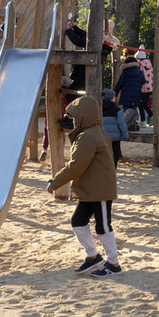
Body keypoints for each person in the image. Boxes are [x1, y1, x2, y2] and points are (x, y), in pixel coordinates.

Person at [46, 95, 123, 278]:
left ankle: (113, 263)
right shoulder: (91, 133)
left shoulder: (89, 136)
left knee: (103, 226)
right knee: (78, 221)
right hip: (90, 189)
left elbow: (76, 165)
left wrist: (55, 182)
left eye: (74, 117)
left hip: (100, 190)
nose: (72, 121)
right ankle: (93, 256)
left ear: (83, 116)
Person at [113, 53, 146, 126]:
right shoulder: (140, 72)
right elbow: (143, 81)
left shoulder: (125, 72)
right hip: (136, 95)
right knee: (134, 110)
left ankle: (125, 125)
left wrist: (114, 93)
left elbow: (119, 84)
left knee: (126, 110)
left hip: (126, 96)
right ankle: (133, 123)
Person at [101, 88, 129, 166]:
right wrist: (125, 135)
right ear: (112, 98)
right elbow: (122, 124)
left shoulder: (99, 109)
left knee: (104, 155)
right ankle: (113, 170)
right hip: (115, 138)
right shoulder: (117, 110)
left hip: (102, 137)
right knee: (114, 155)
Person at [134, 51, 155, 123]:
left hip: (143, 87)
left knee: (141, 105)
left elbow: (140, 76)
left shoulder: (140, 65)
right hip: (149, 87)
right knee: (144, 104)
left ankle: (143, 121)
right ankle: (151, 116)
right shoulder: (149, 64)